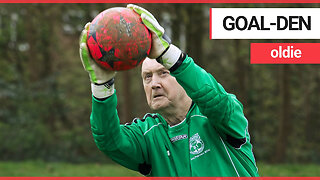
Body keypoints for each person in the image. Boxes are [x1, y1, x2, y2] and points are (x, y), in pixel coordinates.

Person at [79, 4, 259, 177]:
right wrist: (102, 85)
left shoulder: (221, 116)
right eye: (147, 77)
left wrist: (169, 55)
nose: (154, 83)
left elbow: (214, 100)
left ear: (181, 77)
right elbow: (109, 141)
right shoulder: (148, 134)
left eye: (163, 73)